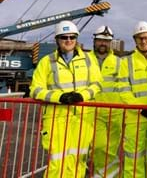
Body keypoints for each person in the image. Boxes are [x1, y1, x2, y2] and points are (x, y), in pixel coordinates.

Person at [30, 20, 103, 178]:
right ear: (57, 39)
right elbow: (35, 90)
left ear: (76, 39)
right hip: (57, 119)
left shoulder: (89, 60)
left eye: (72, 37)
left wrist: (81, 96)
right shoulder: (46, 62)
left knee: (79, 161)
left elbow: (97, 84)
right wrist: (59, 97)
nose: (68, 40)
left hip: (83, 118)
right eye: (64, 37)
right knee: (57, 163)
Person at [117, 21, 147, 177]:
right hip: (135, 119)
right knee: (133, 158)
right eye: (140, 38)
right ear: (135, 40)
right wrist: (141, 108)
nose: (144, 41)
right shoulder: (126, 62)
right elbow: (123, 90)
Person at [87, 26, 122, 178]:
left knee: (111, 149)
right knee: (100, 146)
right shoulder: (85, 60)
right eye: (100, 40)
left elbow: (125, 86)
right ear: (94, 41)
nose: (103, 43)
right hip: (93, 112)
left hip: (115, 113)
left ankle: (109, 175)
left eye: (107, 41)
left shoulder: (119, 62)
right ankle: (101, 174)